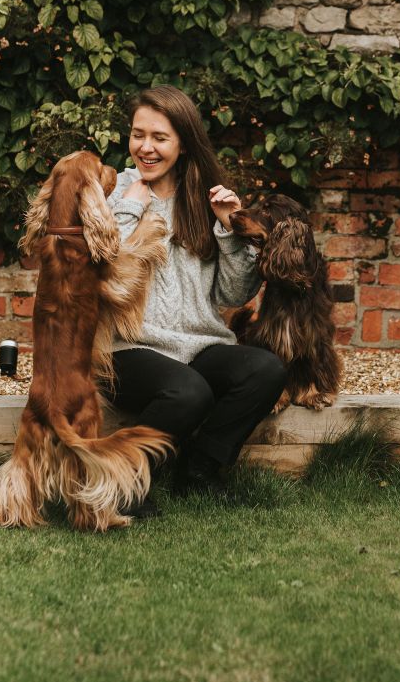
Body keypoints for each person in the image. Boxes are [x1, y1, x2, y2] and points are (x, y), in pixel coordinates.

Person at [106, 85, 287, 511]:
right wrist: (130, 209)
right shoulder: (115, 191)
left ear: (184, 142)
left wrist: (230, 231)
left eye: (159, 138)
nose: (145, 148)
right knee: (190, 393)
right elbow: (104, 270)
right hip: (128, 346)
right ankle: (125, 481)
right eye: (138, 135)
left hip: (198, 342)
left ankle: (200, 470)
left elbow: (234, 294)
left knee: (265, 370)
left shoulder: (203, 198)